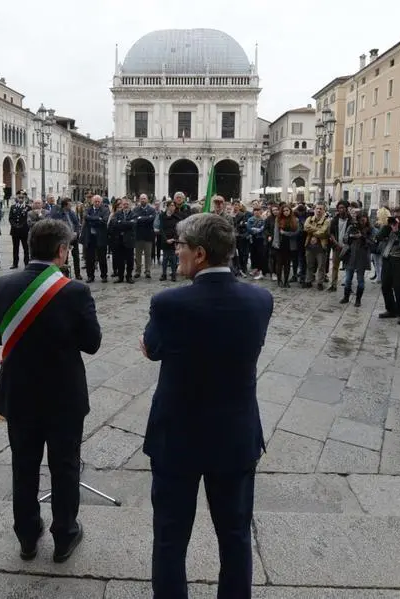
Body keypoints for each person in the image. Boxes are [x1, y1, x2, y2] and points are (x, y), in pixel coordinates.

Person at [140, 213, 273, 599]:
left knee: (169, 538)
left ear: (199, 254)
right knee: (235, 537)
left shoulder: (168, 302)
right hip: (235, 435)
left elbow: (152, 348)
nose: (176, 252)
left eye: (180, 245)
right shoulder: (260, 299)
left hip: (176, 436)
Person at [0, 219, 102, 564]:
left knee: (24, 468)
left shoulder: (2, 284)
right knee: (65, 467)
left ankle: (27, 536)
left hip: (18, 393)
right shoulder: (75, 291)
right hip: (63, 396)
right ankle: (64, 536)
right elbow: (92, 344)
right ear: (62, 250)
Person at [340, 210, 374, 307]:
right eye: (360, 220)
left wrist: (362, 237)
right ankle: (346, 297)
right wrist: (351, 236)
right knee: (348, 279)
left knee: (360, 280)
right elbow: (344, 239)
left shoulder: (371, 229)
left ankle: (358, 300)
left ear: (367, 220)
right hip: (351, 255)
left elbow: (372, 243)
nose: (362, 222)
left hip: (362, 257)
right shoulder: (352, 227)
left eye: (364, 220)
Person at [82, 195, 110, 283]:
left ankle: (104, 275)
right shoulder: (88, 209)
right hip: (90, 237)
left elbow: (104, 221)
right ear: (92, 202)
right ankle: (90, 276)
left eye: (98, 201)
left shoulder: (105, 209)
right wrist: (98, 218)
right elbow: (86, 217)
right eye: (95, 201)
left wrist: (92, 220)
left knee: (102, 258)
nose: (97, 203)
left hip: (100, 237)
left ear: (101, 202)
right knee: (89, 258)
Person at [109, 197, 137, 284]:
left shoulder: (134, 214)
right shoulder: (117, 213)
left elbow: (133, 224)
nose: (125, 206)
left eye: (127, 204)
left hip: (129, 240)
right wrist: (125, 224)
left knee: (130, 260)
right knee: (120, 260)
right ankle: (120, 277)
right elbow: (114, 223)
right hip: (119, 240)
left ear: (130, 205)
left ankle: (129, 276)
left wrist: (120, 223)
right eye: (124, 204)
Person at [133, 193, 157, 279]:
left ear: (147, 199)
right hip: (138, 235)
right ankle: (138, 271)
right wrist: (146, 218)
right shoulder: (135, 209)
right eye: (141, 198)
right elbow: (135, 219)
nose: (143, 200)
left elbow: (152, 219)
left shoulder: (152, 209)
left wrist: (140, 218)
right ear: (139, 200)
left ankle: (147, 271)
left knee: (148, 255)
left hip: (148, 236)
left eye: (144, 198)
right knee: (137, 255)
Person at [8, 193, 30, 268]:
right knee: (15, 248)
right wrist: (15, 225)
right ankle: (15, 263)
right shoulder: (13, 207)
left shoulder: (28, 207)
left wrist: (21, 226)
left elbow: (27, 219)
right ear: (17, 198)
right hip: (15, 231)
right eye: (19, 197)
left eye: (22, 198)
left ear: (24, 199)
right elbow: (10, 218)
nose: (20, 199)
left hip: (24, 231)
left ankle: (26, 263)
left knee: (26, 248)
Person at [159, 201, 179, 282]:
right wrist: (166, 239)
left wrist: (174, 239)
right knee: (165, 258)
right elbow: (161, 229)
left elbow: (177, 229)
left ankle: (174, 274)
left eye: (174, 205)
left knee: (173, 258)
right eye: (171, 205)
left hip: (173, 240)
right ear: (167, 207)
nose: (172, 207)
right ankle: (164, 274)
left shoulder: (176, 217)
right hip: (165, 240)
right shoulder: (162, 216)